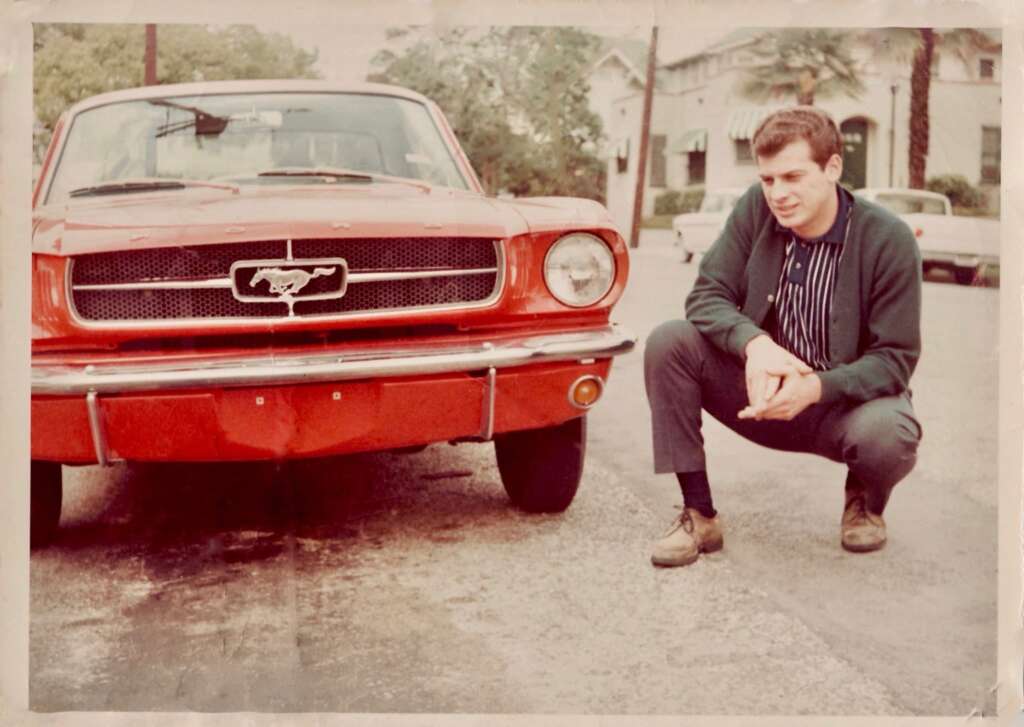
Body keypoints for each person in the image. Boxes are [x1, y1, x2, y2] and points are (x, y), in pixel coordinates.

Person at [644, 106, 922, 568]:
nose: (779, 194)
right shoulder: (756, 208)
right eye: (768, 179)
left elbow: (894, 360)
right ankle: (698, 512)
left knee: (890, 432)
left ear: (832, 167)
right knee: (669, 341)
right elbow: (706, 296)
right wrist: (756, 345)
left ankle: (864, 503)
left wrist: (817, 386)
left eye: (793, 176)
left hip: (839, 408)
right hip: (759, 394)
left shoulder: (887, 239)